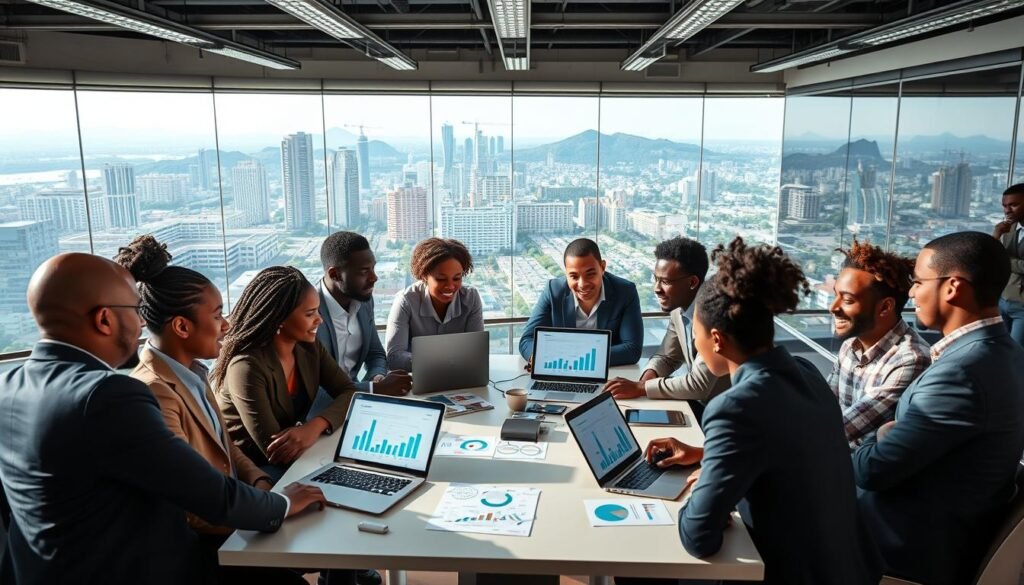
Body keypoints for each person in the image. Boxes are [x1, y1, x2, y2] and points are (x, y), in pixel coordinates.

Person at [0, 253, 326, 585]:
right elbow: (207, 494)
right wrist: (283, 504)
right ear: (104, 320)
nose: (142, 323)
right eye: (134, 310)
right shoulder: (109, 396)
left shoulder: (7, 386)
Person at [638, 237, 881, 585]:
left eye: (696, 334)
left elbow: (698, 537)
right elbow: (786, 453)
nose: (695, 343)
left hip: (788, 574)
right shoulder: (806, 375)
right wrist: (708, 457)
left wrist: (707, 487)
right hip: (849, 569)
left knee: (647, 570)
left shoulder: (734, 408)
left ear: (717, 340)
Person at [853, 231, 1024, 585]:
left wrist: (879, 435)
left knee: (762, 514)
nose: (912, 292)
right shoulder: (1006, 354)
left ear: (953, 287)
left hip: (901, 546)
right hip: (939, 526)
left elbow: (872, 471)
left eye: (917, 281)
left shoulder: (963, 372)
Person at [213, 266, 361, 481]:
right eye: (309, 314)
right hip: (254, 472)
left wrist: (315, 426)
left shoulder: (309, 347)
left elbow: (348, 391)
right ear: (279, 318)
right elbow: (274, 451)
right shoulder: (246, 367)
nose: (319, 320)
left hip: (296, 457)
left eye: (318, 311)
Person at [604, 237, 729, 414]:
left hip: (726, 413)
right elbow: (667, 356)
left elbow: (698, 384)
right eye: (656, 279)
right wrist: (648, 377)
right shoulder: (679, 309)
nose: (656, 288)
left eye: (666, 282)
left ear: (692, 282)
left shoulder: (715, 315)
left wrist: (642, 388)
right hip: (700, 406)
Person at [827, 239, 930, 450]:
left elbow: (844, 428)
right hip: (837, 458)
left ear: (885, 307)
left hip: (867, 473)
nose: (833, 307)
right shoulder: (850, 346)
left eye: (847, 300)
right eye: (835, 295)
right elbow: (824, 405)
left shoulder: (911, 359)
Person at [519, 238, 642, 367]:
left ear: (602, 267)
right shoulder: (553, 291)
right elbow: (526, 340)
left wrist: (572, 356)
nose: (582, 284)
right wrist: (536, 356)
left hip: (608, 374)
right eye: (574, 276)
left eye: (590, 274)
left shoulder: (625, 291)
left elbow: (632, 350)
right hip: (563, 372)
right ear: (566, 273)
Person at [317, 231, 410, 395]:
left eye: (373, 268)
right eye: (364, 271)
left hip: (357, 399)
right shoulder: (308, 312)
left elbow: (376, 354)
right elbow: (313, 386)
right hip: (320, 411)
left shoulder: (363, 301)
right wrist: (374, 389)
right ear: (335, 274)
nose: (374, 278)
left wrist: (377, 376)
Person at [385, 237, 483, 371]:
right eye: (441, 279)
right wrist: (441, 363)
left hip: (460, 377)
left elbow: (476, 351)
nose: (450, 286)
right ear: (424, 275)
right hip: (418, 379)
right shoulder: (405, 301)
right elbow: (394, 357)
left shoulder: (471, 298)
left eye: (457, 278)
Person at [992, 182, 1024, 345]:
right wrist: (996, 235)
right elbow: (992, 256)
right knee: (1000, 349)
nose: (1007, 210)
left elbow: (1000, 259)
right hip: (1004, 300)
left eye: (1013, 205)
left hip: (1022, 307)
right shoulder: (1008, 228)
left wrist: (1005, 259)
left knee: (1017, 355)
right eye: (1005, 205)